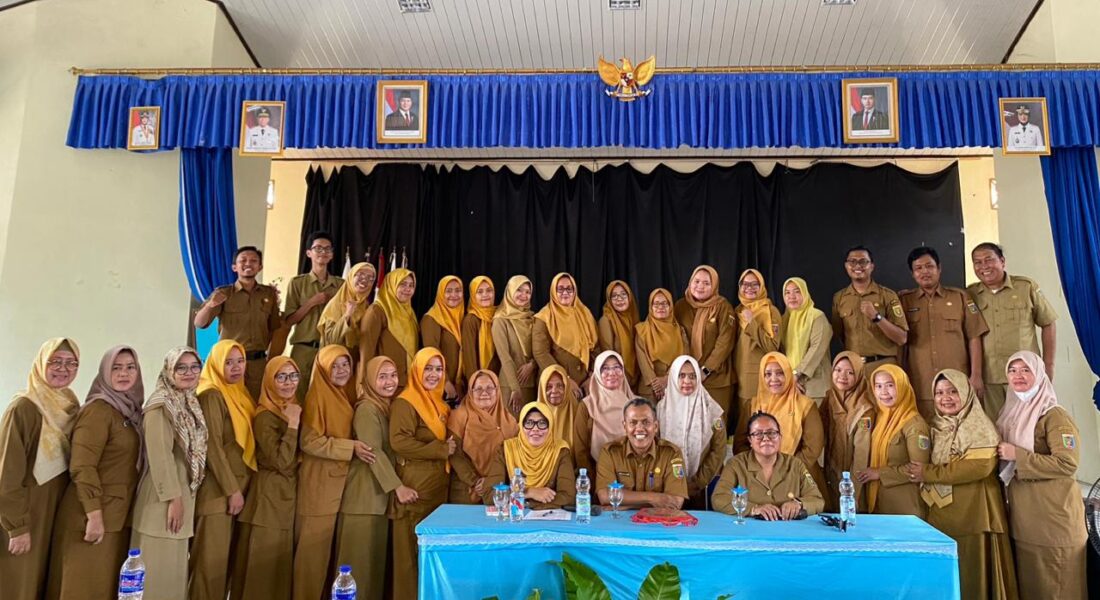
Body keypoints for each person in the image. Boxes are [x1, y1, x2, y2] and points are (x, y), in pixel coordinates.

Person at [906, 369, 1018, 600]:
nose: (945, 398)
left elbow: (979, 468)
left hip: (973, 513)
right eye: (939, 393)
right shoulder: (935, 425)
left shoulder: (980, 426)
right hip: (940, 514)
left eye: (953, 391)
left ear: (966, 393)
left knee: (971, 574)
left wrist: (927, 473)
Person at [47, 346, 144, 600]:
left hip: (116, 516)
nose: (123, 373)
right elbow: (82, 465)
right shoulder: (98, 410)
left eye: (130, 367)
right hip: (90, 516)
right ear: (105, 371)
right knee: (82, 589)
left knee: (101, 588)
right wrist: (94, 515)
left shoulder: (130, 412)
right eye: (116, 367)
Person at [996, 351, 1086, 600]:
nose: (1018, 375)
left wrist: (1018, 455)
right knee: (1033, 587)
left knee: (1058, 587)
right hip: (1025, 521)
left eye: (1026, 370)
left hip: (1054, 521)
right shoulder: (1010, 413)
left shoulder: (1054, 416)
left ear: (1039, 374)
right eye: (1012, 370)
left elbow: (1067, 463)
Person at [0, 338, 80, 600]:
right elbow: (7, 474)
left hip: (55, 512)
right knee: (19, 584)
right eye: (55, 361)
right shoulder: (23, 408)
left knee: (43, 584)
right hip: (26, 513)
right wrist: (17, 527)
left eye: (71, 363)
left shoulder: (70, 406)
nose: (63, 369)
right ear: (41, 364)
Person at [292, 346, 375, 600]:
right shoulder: (317, 397)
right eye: (334, 366)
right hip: (319, 487)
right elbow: (309, 442)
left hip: (338, 486)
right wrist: (350, 447)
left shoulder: (345, 394)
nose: (341, 371)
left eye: (345, 365)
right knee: (311, 559)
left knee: (328, 560)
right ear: (323, 369)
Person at [336, 357, 418, 600]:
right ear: (371, 380)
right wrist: (398, 487)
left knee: (373, 569)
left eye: (393, 375)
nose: (389, 381)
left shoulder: (387, 406)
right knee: (358, 570)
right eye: (382, 377)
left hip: (377, 498)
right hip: (363, 499)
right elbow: (373, 452)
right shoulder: (367, 409)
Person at [130, 348, 207, 600]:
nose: (188, 373)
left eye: (194, 367)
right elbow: (160, 455)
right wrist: (174, 499)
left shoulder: (188, 402)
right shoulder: (160, 404)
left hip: (182, 498)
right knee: (155, 577)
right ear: (169, 371)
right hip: (162, 501)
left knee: (172, 577)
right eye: (180, 368)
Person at [189, 340, 256, 600]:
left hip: (238, 489)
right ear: (216, 363)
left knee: (223, 569)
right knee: (209, 568)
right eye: (228, 362)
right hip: (218, 493)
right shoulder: (211, 394)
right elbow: (212, 448)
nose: (236, 367)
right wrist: (231, 490)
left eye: (240, 361)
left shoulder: (240, 393)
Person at [230, 357, 302, 600]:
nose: (289, 383)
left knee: (278, 572)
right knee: (263, 572)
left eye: (293, 376)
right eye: (281, 377)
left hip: (284, 497)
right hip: (268, 500)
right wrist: (293, 425)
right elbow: (282, 461)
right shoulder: (265, 416)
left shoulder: (292, 407)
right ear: (270, 381)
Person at [389, 348, 456, 600]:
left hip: (436, 490)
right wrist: (440, 449)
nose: (434, 374)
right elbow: (399, 442)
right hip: (415, 490)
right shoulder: (406, 402)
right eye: (428, 368)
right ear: (416, 370)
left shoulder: (439, 403)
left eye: (439, 369)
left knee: (429, 558)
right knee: (410, 559)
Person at [967, 242, 1058, 420]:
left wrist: (1048, 366)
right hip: (990, 377)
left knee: (1029, 424)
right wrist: (975, 374)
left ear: (1002, 261)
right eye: (977, 262)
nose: (984, 266)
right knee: (995, 427)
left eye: (989, 260)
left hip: (1025, 375)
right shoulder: (971, 294)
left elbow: (1048, 322)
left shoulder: (1026, 287)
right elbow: (972, 335)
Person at [899, 246, 989, 418]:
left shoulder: (960, 297)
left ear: (939, 268)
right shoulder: (904, 301)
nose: (925, 271)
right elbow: (899, 344)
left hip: (957, 384)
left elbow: (974, 336)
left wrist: (976, 375)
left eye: (929, 266)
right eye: (918, 268)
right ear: (912, 274)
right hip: (920, 385)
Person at [193, 246, 282, 398]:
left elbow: (274, 328)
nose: (248, 264)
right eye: (243, 260)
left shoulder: (268, 294)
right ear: (234, 267)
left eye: (253, 261)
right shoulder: (223, 293)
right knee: (228, 404)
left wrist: (271, 358)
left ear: (260, 267)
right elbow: (199, 323)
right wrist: (209, 305)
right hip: (229, 363)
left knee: (255, 404)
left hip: (257, 364)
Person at [712, 412, 825, 520]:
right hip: (748, 529)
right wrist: (753, 509)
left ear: (780, 437)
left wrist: (799, 504)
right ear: (750, 440)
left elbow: (818, 500)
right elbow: (718, 499)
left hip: (788, 529)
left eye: (771, 433)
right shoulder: (736, 464)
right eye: (758, 434)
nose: (766, 438)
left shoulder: (795, 464)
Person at [741, 353, 826, 492]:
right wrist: (758, 468)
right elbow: (741, 444)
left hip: (798, 475)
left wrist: (788, 470)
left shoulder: (805, 405)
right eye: (768, 374)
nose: (773, 379)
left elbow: (813, 447)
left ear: (788, 374)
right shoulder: (752, 405)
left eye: (780, 373)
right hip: (758, 477)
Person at [858, 365, 930, 517]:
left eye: (890, 385)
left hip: (904, 507)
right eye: (878, 386)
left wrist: (880, 473)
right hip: (878, 503)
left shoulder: (914, 424)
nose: (883, 392)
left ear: (902, 387)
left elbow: (919, 469)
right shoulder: (879, 418)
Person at [656, 356, 726, 509]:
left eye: (693, 376)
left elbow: (719, 449)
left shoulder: (712, 410)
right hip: (667, 487)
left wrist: (698, 482)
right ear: (673, 377)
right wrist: (671, 482)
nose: (687, 381)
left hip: (700, 487)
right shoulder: (661, 409)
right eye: (681, 376)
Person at [594, 398, 688, 509]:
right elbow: (605, 496)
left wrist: (623, 504)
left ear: (656, 426)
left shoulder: (671, 454)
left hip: (657, 519)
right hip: (622, 520)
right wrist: (654, 498)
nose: (639, 429)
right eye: (633, 423)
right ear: (625, 426)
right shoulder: (610, 452)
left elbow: (675, 502)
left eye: (646, 422)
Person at [482, 402, 576, 509]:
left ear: (550, 426)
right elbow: (489, 495)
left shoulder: (560, 450)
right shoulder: (506, 449)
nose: (535, 429)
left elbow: (568, 496)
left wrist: (527, 504)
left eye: (542, 423)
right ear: (521, 426)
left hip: (546, 516)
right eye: (529, 423)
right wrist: (528, 492)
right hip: (515, 516)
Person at [831, 246, 908, 375]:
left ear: (872, 266)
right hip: (853, 369)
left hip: (883, 366)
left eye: (863, 261)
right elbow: (836, 334)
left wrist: (877, 317)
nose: (857, 266)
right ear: (846, 266)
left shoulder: (888, 296)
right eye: (852, 261)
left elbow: (901, 338)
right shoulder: (839, 298)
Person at [283, 232, 344, 393]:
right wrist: (311, 303)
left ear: (332, 254)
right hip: (303, 349)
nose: (323, 252)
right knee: (298, 395)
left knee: (327, 396)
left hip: (330, 349)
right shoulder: (297, 283)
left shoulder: (341, 285)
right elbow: (289, 321)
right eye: (318, 248)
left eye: (327, 249)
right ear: (309, 253)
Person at [674, 265, 737, 417]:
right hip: (687, 379)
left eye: (706, 283)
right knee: (691, 420)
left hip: (716, 378)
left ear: (714, 285)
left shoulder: (723, 307)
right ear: (690, 282)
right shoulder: (680, 306)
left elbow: (725, 343)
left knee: (716, 423)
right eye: (696, 281)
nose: (700, 286)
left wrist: (706, 370)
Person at [447, 371, 518, 504]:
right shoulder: (459, 416)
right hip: (467, 490)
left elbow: (514, 456)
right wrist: (475, 481)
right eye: (478, 389)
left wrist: (492, 481)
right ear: (470, 392)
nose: (484, 393)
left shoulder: (509, 420)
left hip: (499, 490)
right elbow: (455, 454)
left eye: (490, 388)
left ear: (497, 390)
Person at [820, 352, 875, 512]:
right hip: (830, 473)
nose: (842, 376)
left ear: (859, 375)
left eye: (850, 372)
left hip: (853, 481)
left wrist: (852, 492)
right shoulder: (829, 398)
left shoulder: (864, 407)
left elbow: (861, 455)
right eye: (838, 370)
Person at [532, 272, 598, 392]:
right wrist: (564, 379)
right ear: (553, 291)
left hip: (586, 384)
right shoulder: (544, 317)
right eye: (560, 289)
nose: (565, 293)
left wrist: (593, 375)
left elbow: (595, 347)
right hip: (555, 385)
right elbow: (540, 353)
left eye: (569, 289)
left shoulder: (584, 313)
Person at [573, 351, 635, 473]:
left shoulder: (635, 404)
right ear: (597, 373)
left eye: (616, 367)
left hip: (631, 470)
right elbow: (581, 449)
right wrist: (591, 478)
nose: (612, 373)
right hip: (597, 471)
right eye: (605, 368)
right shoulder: (587, 406)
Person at [360, 268, 418, 392]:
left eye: (411, 285)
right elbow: (366, 351)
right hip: (384, 384)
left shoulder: (409, 312)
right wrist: (365, 384)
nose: (408, 289)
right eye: (402, 284)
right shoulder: (377, 311)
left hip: (408, 382)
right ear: (391, 285)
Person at [779, 277, 833, 403]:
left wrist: (796, 374)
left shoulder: (817, 316)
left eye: (797, 291)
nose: (792, 296)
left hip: (815, 384)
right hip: (791, 384)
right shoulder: (784, 319)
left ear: (805, 293)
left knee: (815, 416)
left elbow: (816, 349)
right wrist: (788, 377)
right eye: (787, 292)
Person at [492, 276, 538, 415]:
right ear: (510, 291)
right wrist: (515, 388)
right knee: (511, 426)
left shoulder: (533, 318)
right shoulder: (500, 320)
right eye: (519, 290)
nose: (524, 295)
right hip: (510, 386)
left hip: (532, 383)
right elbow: (504, 356)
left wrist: (532, 365)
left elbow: (540, 350)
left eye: (528, 292)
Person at [634, 288, 688, 402]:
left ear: (670, 306)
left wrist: (667, 379)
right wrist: (655, 384)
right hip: (649, 388)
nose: (660, 307)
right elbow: (642, 360)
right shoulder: (642, 330)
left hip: (674, 384)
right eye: (656, 304)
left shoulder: (680, 330)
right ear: (651, 307)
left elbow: (684, 356)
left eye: (664, 303)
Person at [317, 261, 377, 357]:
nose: (364, 280)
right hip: (334, 359)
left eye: (370, 278)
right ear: (351, 277)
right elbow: (331, 340)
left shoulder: (367, 307)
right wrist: (347, 315)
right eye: (360, 275)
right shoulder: (336, 304)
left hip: (355, 361)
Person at [421, 275, 466, 403]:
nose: (454, 295)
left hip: (460, 387)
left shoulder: (462, 317)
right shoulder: (431, 319)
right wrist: (445, 382)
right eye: (448, 291)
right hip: (441, 386)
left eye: (458, 290)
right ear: (441, 293)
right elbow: (431, 355)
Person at [598, 280, 640, 390]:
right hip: (618, 381)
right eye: (614, 296)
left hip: (637, 380)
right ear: (609, 300)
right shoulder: (606, 321)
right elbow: (608, 355)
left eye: (623, 294)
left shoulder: (633, 317)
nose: (619, 299)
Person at [461, 276, 501, 383]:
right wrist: (474, 382)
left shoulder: (499, 315)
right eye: (480, 292)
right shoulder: (471, 320)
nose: (485, 295)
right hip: (480, 381)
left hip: (500, 379)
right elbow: (469, 358)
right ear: (473, 295)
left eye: (489, 290)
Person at [536, 365, 577, 450]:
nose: (554, 391)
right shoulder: (531, 420)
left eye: (560, 386)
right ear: (542, 390)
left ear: (567, 387)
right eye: (549, 387)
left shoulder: (578, 413)